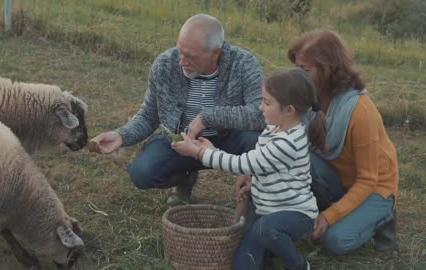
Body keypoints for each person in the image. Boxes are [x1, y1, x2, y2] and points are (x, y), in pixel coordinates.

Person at [88, 14, 265, 206]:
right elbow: (149, 114)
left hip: (229, 139)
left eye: (190, 56)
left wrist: (208, 117)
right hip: (180, 141)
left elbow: (259, 114)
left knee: (257, 142)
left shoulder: (244, 64)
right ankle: (184, 178)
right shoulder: (165, 64)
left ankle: (253, 193)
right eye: (180, 51)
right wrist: (121, 136)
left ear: (216, 53)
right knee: (142, 173)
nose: (182, 61)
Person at [172, 68, 325, 270]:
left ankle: (298, 265)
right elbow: (264, 167)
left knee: (266, 229)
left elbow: (244, 164)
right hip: (267, 211)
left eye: (267, 103)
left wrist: (199, 153)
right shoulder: (275, 128)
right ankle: (272, 248)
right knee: (244, 265)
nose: (260, 107)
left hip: (296, 215)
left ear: (289, 110)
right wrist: (213, 150)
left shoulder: (289, 142)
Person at [288, 29, 399, 254]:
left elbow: (368, 180)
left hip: (374, 187)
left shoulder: (361, 111)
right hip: (338, 177)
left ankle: (383, 216)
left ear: (327, 70)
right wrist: (254, 172)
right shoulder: (308, 96)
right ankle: (331, 205)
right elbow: (285, 144)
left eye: (304, 70)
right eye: (296, 68)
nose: (297, 75)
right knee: (297, 154)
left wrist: (329, 217)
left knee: (334, 241)